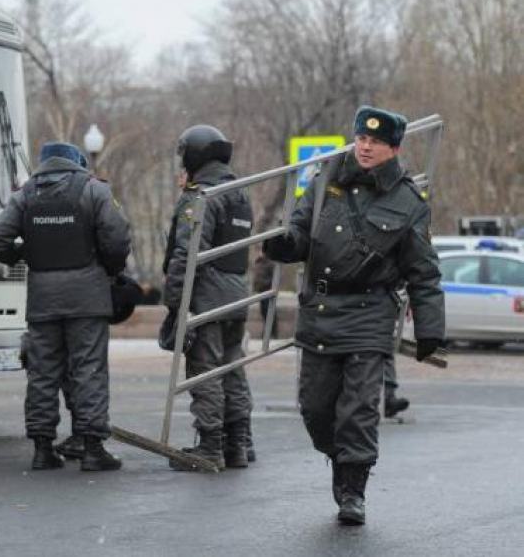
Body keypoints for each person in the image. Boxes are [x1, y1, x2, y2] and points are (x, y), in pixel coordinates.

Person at [264, 105, 445, 525]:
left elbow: (424, 270)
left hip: (369, 314)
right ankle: (341, 460)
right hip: (321, 309)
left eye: (376, 141)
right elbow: (300, 230)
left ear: (394, 148)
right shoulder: (326, 177)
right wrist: (284, 245)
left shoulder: (407, 199)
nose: (365, 146)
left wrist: (432, 329)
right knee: (315, 408)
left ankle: (353, 489)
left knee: (359, 410)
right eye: (362, 138)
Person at [0, 142, 131, 471]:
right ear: (77, 162)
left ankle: (42, 449)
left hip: (42, 298)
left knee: (42, 372)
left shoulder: (25, 195)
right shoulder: (94, 190)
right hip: (87, 298)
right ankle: (92, 448)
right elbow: (118, 237)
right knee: (89, 369)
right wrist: (109, 267)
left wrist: (25, 255)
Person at [162, 125, 255, 471]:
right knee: (233, 369)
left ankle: (211, 446)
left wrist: (174, 302)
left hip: (207, 298)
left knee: (206, 371)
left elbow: (187, 254)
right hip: (235, 296)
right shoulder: (240, 193)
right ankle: (238, 444)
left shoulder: (200, 196)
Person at [252, 252, 279, 340]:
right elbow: (257, 276)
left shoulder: (270, 262)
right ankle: (267, 333)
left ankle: (271, 334)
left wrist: (268, 285)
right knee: (264, 312)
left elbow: (274, 277)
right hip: (261, 292)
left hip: (268, 291)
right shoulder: (259, 262)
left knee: (270, 313)